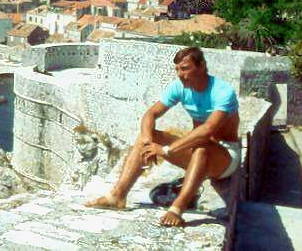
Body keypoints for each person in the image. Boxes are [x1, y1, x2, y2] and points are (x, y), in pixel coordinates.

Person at [85, 46, 240, 227]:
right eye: (177, 69)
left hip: (225, 156)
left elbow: (208, 129)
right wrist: (147, 139)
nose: (180, 74)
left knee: (201, 149)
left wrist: (167, 150)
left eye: (185, 69)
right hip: (197, 151)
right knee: (150, 137)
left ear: (202, 66)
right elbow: (151, 113)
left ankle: (177, 208)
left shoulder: (222, 91)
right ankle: (117, 195)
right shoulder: (179, 87)